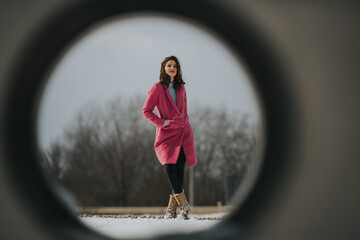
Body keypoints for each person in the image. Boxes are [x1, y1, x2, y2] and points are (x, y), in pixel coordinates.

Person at [142, 56, 197, 220]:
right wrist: (162, 122)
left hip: (183, 132)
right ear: (164, 68)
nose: (172, 68)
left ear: (178, 69)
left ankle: (171, 211)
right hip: (166, 134)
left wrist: (185, 122)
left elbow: (185, 110)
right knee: (169, 168)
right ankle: (184, 205)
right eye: (169, 65)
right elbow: (146, 111)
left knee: (179, 171)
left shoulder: (181, 88)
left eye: (174, 65)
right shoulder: (157, 88)